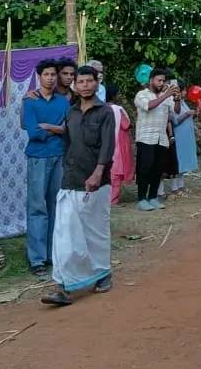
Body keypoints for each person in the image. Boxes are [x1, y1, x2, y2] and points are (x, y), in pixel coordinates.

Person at [42, 65, 115, 306]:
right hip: (71, 180)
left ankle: (102, 273)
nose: (83, 85)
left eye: (88, 81)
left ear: (97, 83)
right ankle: (63, 286)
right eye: (79, 81)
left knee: (95, 232)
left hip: (96, 182)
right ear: (74, 85)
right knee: (64, 234)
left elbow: (107, 147)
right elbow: (69, 142)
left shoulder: (105, 113)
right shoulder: (71, 112)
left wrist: (97, 173)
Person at [22, 59, 70, 278]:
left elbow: (68, 129)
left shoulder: (63, 102)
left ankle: (53, 254)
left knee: (55, 206)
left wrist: (49, 128)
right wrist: (56, 130)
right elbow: (33, 133)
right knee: (37, 207)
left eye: (53, 74)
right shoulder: (30, 101)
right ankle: (37, 259)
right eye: (46, 74)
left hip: (58, 156)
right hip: (38, 157)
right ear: (39, 76)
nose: (50, 78)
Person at [134, 67, 175, 210]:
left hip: (161, 138)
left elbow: (174, 112)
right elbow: (148, 106)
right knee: (145, 169)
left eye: (163, 81)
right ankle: (141, 199)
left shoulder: (167, 96)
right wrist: (165, 95)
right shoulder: (141, 94)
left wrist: (177, 99)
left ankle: (153, 197)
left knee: (158, 170)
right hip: (145, 138)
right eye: (159, 80)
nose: (161, 83)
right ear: (151, 80)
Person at [106, 84, 135, 205]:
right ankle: (114, 199)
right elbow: (125, 125)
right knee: (116, 172)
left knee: (109, 172)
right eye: (118, 94)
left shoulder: (102, 107)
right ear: (114, 95)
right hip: (119, 143)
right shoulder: (118, 109)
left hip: (107, 143)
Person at [170, 82, 198, 194]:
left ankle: (181, 186)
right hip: (179, 135)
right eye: (184, 90)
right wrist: (187, 114)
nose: (186, 92)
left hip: (186, 136)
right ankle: (174, 187)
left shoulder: (183, 103)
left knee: (184, 161)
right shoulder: (173, 103)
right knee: (178, 161)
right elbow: (175, 121)